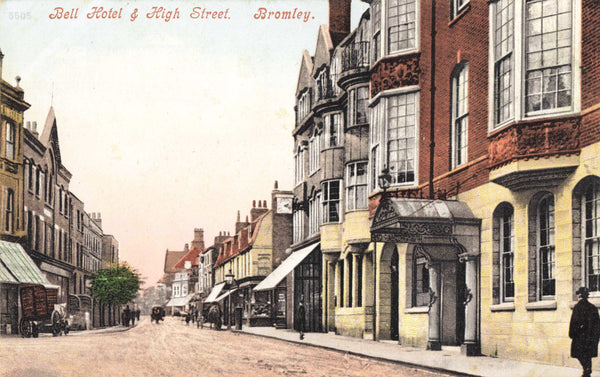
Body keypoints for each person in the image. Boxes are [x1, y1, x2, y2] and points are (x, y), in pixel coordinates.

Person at [569, 287, 600, 377]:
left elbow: (573, 322)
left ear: (580, 295)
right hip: (591, 337)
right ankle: (587, 370)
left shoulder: (577, 307)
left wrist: (572, 334)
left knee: (579, 354)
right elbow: (597, 323)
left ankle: (586, 370)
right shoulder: (593, 307)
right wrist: (596, 336)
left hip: (580, 336)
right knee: (588, 354)